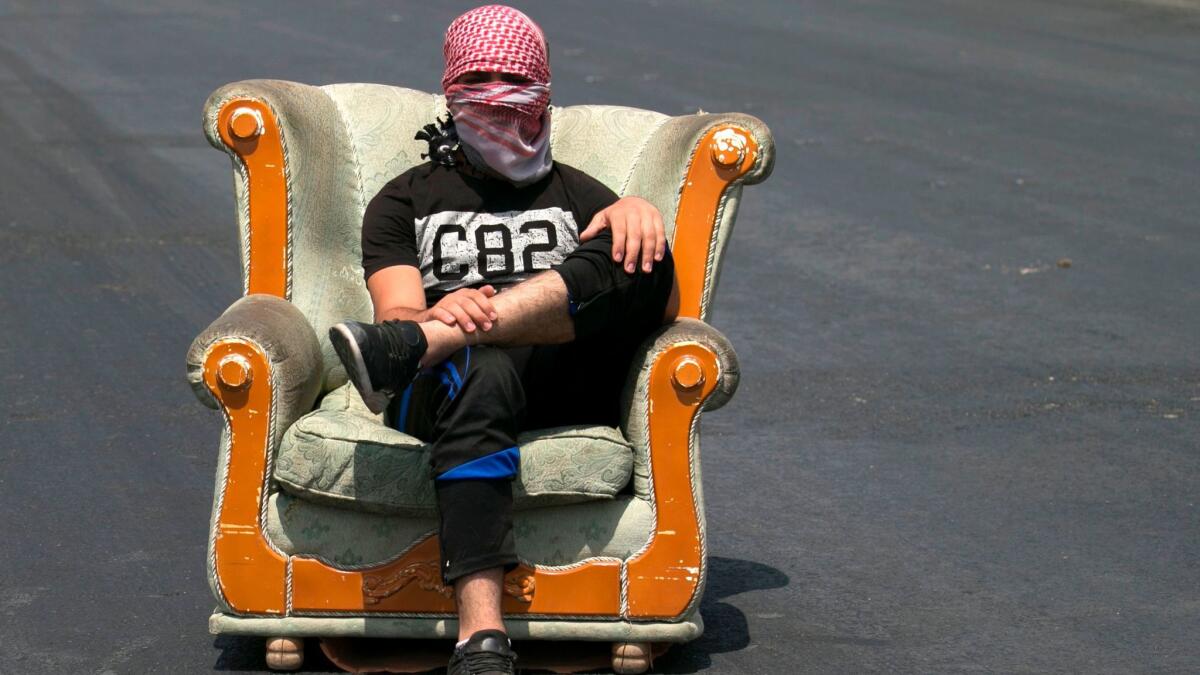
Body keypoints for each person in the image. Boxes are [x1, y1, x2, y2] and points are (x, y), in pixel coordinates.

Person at [329, 6, 677, 674]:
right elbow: (398, 312)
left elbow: (655, 302)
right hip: (438, 383)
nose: (494, 95)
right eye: (477, 78)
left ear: (543, 93)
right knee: (475, 367)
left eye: (511, 78)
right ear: (450, 88)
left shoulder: (580, 194)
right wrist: (432, 315)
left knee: (643, 254)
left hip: (553, 376)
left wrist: (639, 213)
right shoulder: (405, 200)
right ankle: (480, 636)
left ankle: (444, 338)